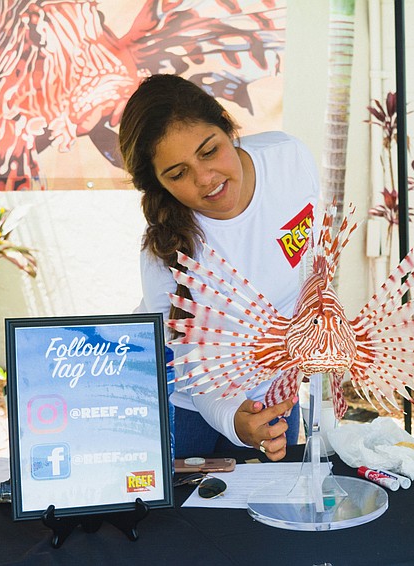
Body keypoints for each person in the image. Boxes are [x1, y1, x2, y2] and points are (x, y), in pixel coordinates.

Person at [118, 73, 319, 462]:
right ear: (159, 184)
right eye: (178, 174)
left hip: (274, 397)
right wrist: (233, 419)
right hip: (182, 408)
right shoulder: (165, 249)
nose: (205, 179)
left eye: (210, 151)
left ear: (229, 129)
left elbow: (311, 266)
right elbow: (192, 366)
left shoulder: (289, 158)